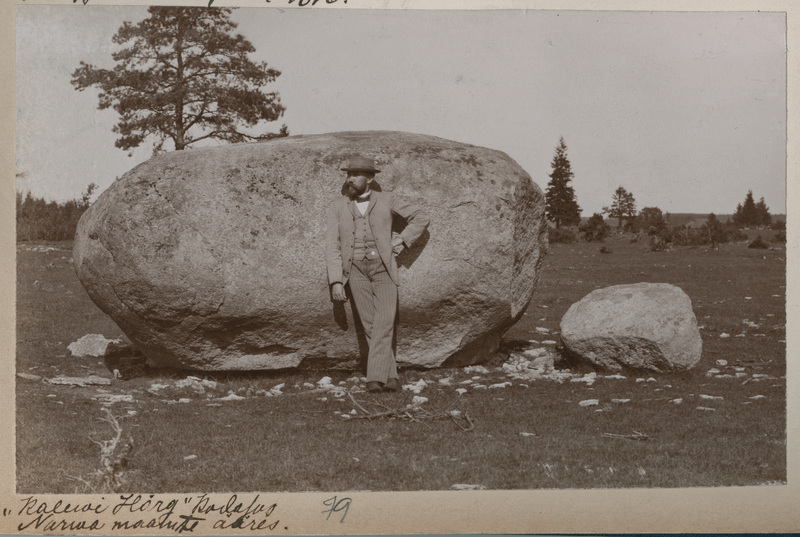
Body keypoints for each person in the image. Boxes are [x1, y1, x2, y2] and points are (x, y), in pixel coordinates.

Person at [326, 155, 429, 394]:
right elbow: (332, 245)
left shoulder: (387, 199)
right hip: (355, 271)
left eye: (355, 175)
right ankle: (391, 376)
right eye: (348, 175)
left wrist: (402, 240)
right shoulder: (336, 206)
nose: (350, 179)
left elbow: (420, 217)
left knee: (384, 321)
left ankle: (373, 378)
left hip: (384, 268)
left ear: (370, 178)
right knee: (370, 325)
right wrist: (336, 281)